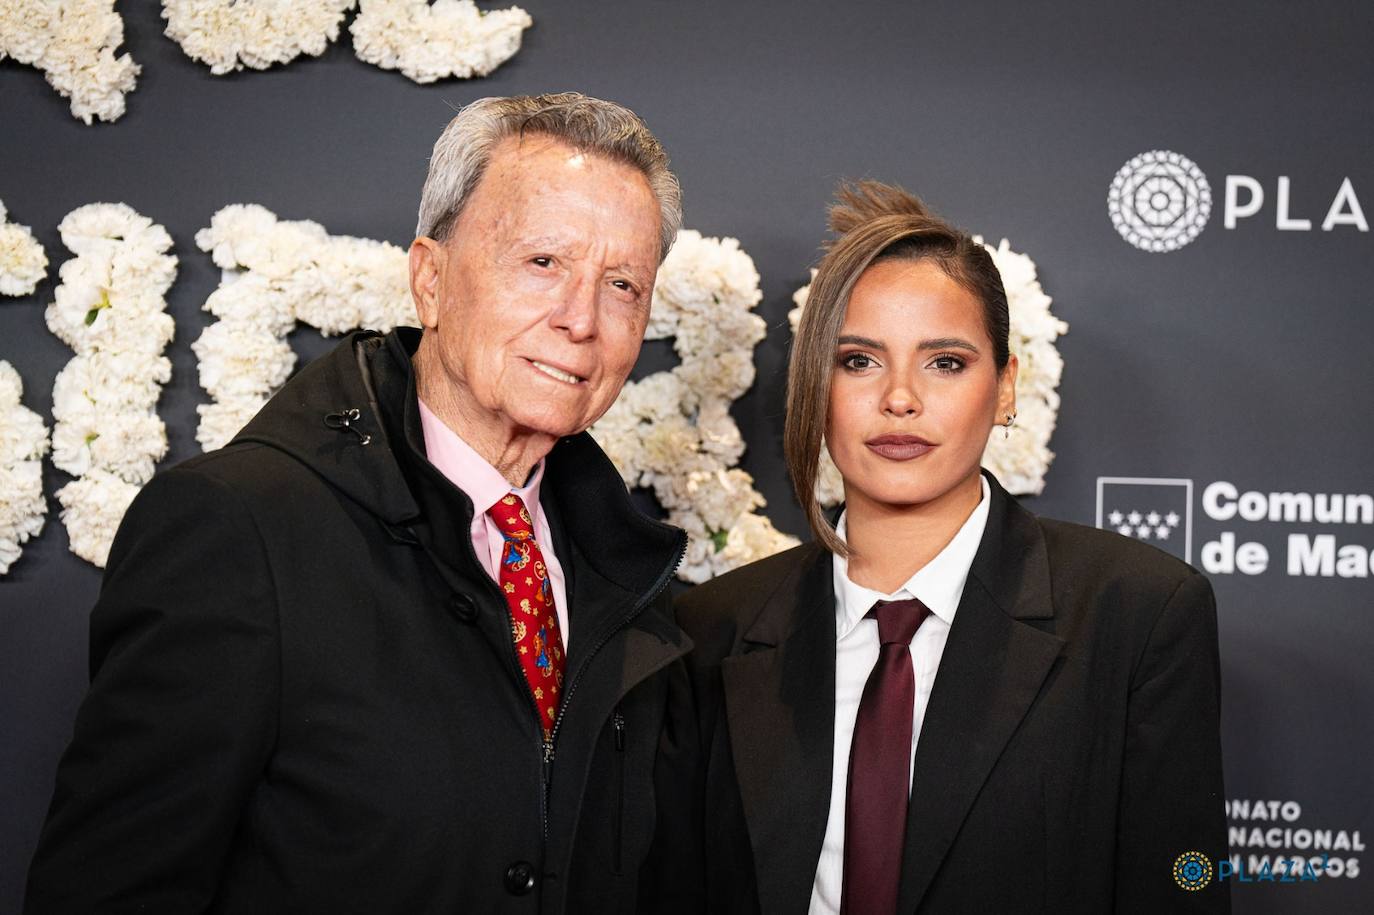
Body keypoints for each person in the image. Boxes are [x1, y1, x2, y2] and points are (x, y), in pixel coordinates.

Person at [26, 93, 701, 914]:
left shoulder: (630, 583)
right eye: (543, 263)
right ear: (431, 278)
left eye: (622, 285)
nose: (580, 320)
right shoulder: (239, 528)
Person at [676, 181, 1229, 914]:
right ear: (815, 385)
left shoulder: (1137, 614)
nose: (899, 398)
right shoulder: (713, 628)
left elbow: (1183, 884)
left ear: (1004, 388)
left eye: (944, 362)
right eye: (859, 361)